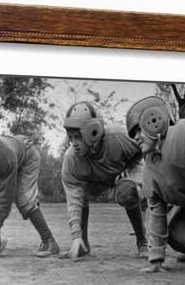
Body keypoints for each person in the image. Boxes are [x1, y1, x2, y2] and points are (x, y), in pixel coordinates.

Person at [125, 96, 185, 272]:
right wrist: (156, 260)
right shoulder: (149, 173)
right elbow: (157, 215)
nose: (135, 138)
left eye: (138, 130)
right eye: (133, 134)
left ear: (155, 119)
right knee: (177, 237)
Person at [0, 112, 60, 258]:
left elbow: (7, 196)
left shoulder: (5, 157)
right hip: (7, 164)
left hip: (26, 156)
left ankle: (49, 241)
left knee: (24, 200)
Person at [61, 101, 148, 260]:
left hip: (125, 171)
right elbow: (74, 200)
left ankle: (142, 241)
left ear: (93, 132)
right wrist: (75, 236)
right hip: (97, 180)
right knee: (81, 196)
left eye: (78, 137)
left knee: (126, 191)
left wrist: (129, 170)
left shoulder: (118, 137)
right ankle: (83, 245)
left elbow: (144, 150)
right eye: (71, 137)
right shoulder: (71, 159)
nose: (73, 143)